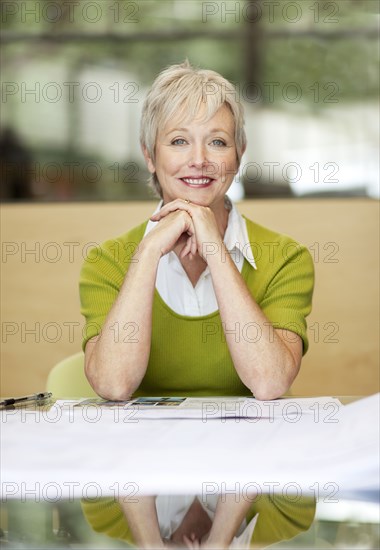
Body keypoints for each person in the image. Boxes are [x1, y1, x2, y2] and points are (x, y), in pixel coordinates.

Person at [79, 60, 315, 549]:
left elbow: (270, 382)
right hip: (137, 469)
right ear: (149, 155)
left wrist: (215, 247)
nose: (200, 159)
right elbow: (114, 383)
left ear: (239, 154)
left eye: (218, 141)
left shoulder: (287, 258)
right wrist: (146, 254)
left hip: (257, 474)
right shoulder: (106, 261)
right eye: (179, 140)